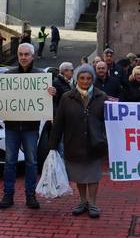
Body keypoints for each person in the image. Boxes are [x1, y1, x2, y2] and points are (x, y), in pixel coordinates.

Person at [0, 43, 56, 209]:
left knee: (31, 162)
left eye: (26, 54)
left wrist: (52, 93)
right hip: (11, 127)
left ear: (32, 56)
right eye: (21, 54)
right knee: (10, 161)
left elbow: (48, 102)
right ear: (17, 56)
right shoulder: (8, 75)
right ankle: (8, 195)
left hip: (31, 128)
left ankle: (30, 195)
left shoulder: (40, 76)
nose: (23, 57)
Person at [50, 64, 108, 218]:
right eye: (82, 78)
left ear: (92, 79)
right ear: (77, 79)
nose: (85, 81)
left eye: (89, 78)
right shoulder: (67, 97)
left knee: (93, 175)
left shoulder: (102, 96)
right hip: (74, 142)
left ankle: (93, 204)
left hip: (95, 143)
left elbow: (109, 121)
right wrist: (53, 144)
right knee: (80, 176)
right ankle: (83, 202)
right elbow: (59, 122)